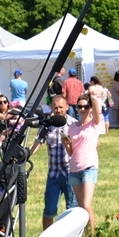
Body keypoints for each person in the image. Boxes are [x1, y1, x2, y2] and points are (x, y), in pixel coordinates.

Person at [30, 95, 78, 229]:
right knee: (49, 210)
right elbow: (37, 143)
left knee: (72, 209)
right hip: (53, 175)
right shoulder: (47, 125)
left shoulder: (73, 124)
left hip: (70, 173)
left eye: (61, 107)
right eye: (55, 107)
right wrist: (26, 153)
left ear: (67, 107)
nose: (58, 110)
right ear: (51, 107)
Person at [61, 92, 103, 231]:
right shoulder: (72, 127)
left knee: (86, 205)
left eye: (86, 106)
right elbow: (71, 152)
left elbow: (97, 108)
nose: (83, 109)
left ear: (90, 108)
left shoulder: (94, 124)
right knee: (81, 209)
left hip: (89, 167)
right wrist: (66, 143)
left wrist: (91, 96)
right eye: (80, 107)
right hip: (74, 169)